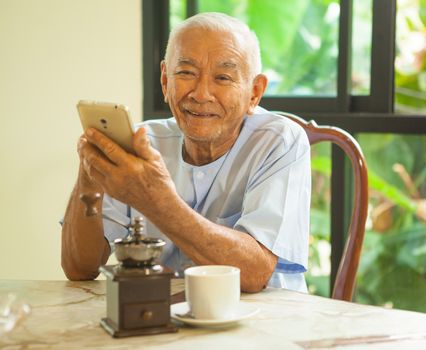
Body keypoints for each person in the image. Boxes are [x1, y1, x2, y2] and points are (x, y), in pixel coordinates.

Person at [61, 12, 311, 293]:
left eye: (223, 77)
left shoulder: (279, 141)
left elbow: (254, 274)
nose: (201, 93)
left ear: (254, 93)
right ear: (166, 81)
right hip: (162, 321)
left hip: (267, 322)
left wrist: (157, 200)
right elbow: (79, 268)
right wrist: (90, 173)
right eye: (186, 73)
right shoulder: (143, 143)